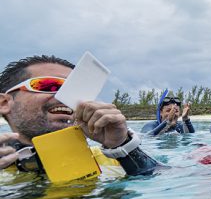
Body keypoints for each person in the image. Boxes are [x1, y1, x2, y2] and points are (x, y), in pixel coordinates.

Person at [0, 55, 159, 177]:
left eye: (73, 88)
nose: (64, 96)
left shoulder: (109, 158)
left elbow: (158, 184)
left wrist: (123, 146)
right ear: (4, 103)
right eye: (49, 85)